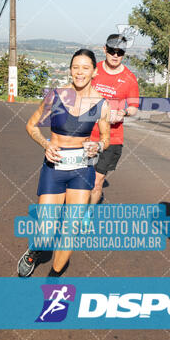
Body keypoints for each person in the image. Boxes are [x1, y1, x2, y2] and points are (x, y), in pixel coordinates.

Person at [17, 49, 110, 277]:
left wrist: (97, 146)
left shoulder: (101, 103)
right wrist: (45, 144)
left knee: (71, 230)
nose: (79, 72)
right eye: (75, 67)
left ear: (94, 72)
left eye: (85, 68)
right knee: (47, 231)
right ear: (70, 70)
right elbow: (31, 126)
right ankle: (34, 251)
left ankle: (52, 281)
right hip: (54, 168)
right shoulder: (55, 96)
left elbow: (106, 138)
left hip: (82, 169)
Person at [90, 33, 139, 204]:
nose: (116, 55)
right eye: (112, 51)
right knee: (79, 180)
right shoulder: (93, 70)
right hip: (86, 133)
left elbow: (133, 108)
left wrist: (122, 113)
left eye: (120, 52)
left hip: (112, 138)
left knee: (97, 181)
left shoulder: (129, 78)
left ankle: (86, 216)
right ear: (105, 49)